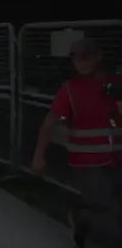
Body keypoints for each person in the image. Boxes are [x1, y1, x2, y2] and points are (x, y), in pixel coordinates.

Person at [32, 39, 122, 248]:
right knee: (109, 210)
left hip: (115, 157)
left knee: (110, 206)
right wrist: (38, 157)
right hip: (86, 161)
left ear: (97, 57)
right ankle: (88, 223)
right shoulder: (70, 90)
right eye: (75, 57)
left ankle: (83, 219)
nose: (79, 61)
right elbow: (48, 124)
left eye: (84, 56)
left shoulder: (114, 84)